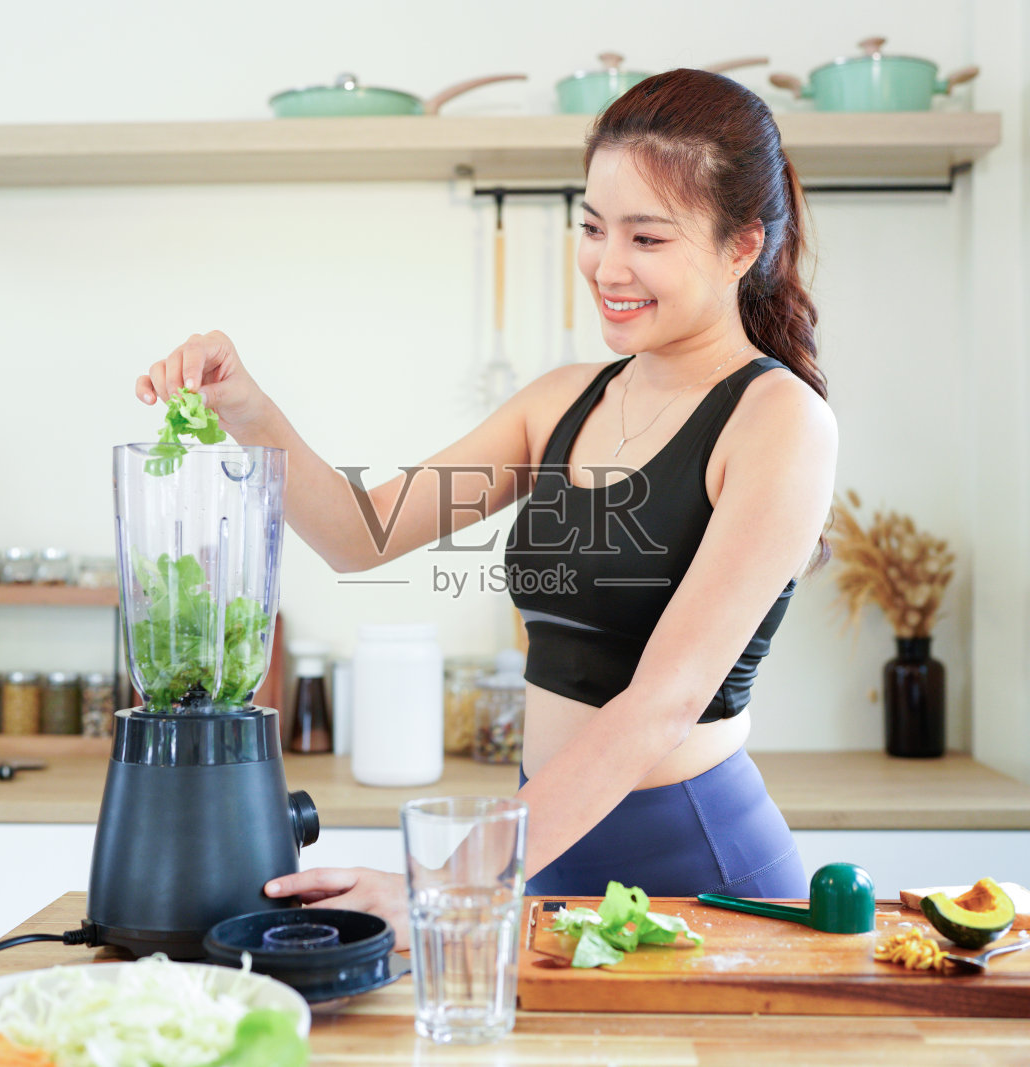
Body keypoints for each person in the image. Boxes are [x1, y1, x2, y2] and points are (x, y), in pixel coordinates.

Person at [135, 68, 836, 946]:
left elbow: (662, 702)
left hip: (694, 871)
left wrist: (453, 875)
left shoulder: (779, 420)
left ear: (742, 246)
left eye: (647, 238)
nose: (607, 266)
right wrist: (245, 405)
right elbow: (361, 533)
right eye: (591, 227)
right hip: (543, 845)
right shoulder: (561, 400)